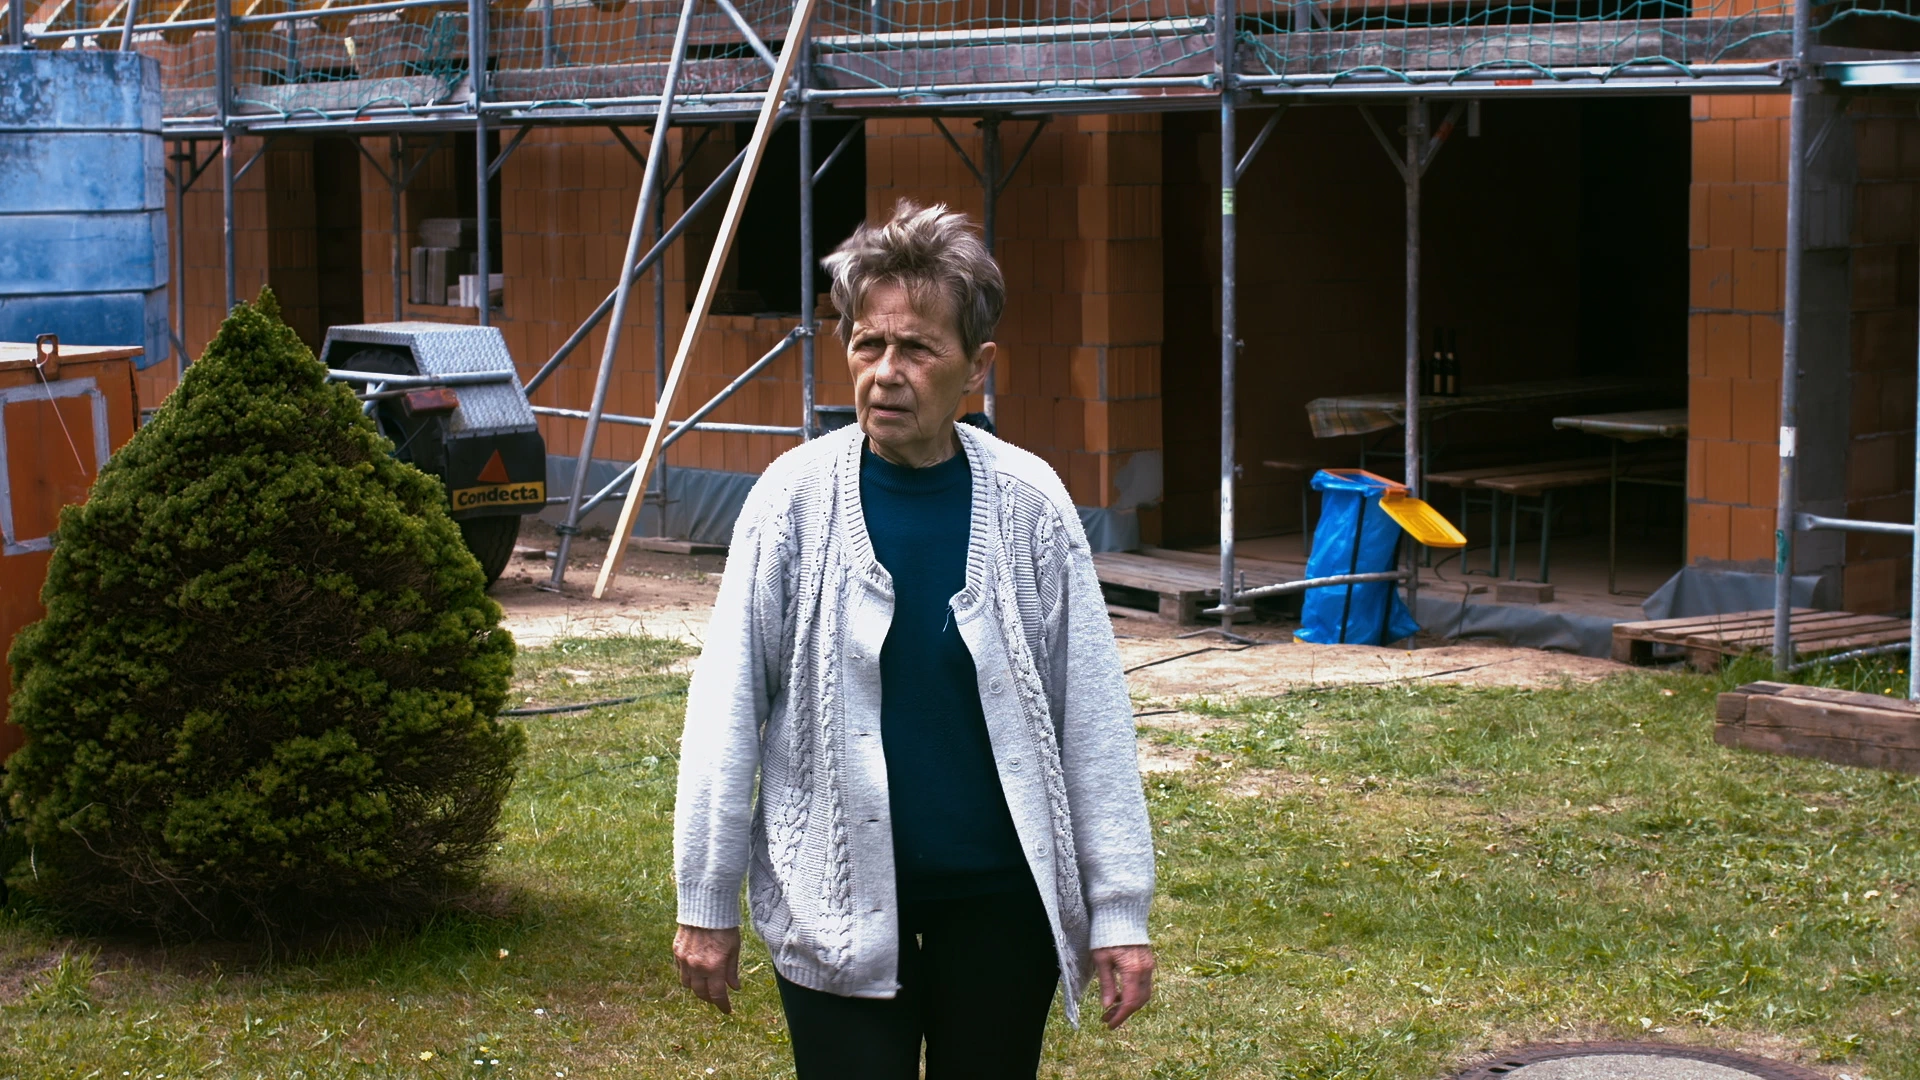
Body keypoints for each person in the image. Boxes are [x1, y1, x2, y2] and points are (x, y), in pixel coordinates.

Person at [671, 200, 1156, 1079]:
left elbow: (1091, 716)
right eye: (868, 345)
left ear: (978, 366)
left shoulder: (1033, 504)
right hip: (834, 898)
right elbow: (726, 707)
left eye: (918, 350)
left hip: (1000, 908)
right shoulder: (790, 501)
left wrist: (1118, 910)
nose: (886, 374)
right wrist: (706, 898)